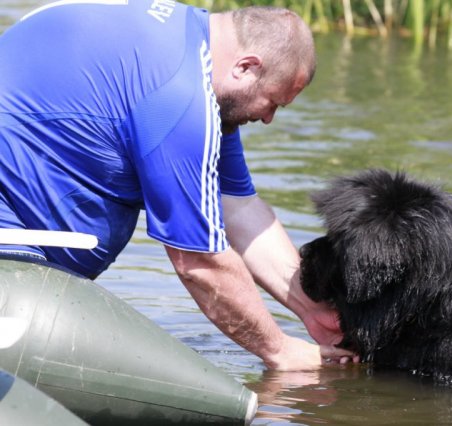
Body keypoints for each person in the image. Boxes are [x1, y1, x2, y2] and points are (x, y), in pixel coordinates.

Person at [0, 1, 357, 370]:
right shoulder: (181, 98)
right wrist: (280, 350)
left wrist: (313, 310)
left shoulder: (193, 49)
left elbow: (238, 207)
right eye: (273, 102)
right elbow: (199, 261)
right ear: (246, 66)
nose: (268, 118)